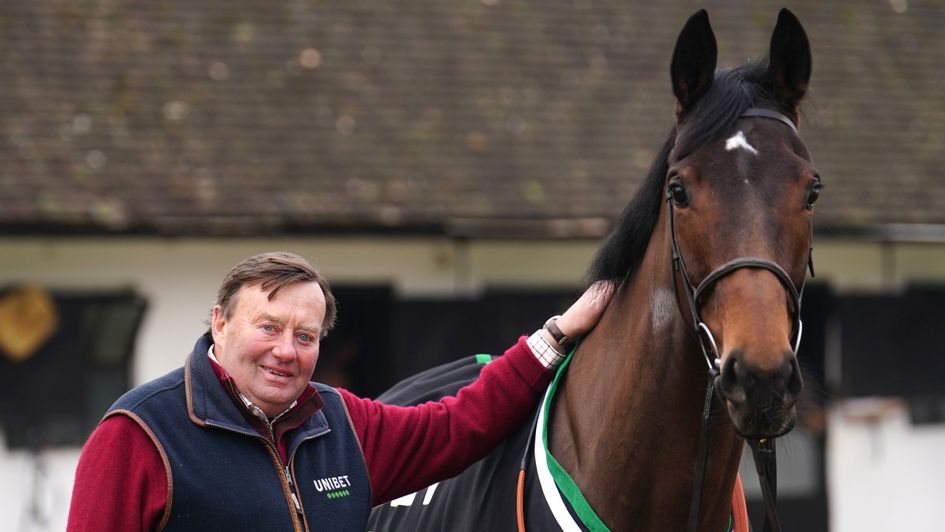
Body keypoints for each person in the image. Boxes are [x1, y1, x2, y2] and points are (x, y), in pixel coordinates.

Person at [66, 251, 614, 531]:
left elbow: (458, 425)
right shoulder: (138, 436)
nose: (286, 350)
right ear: (220, 323)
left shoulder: (342, 424)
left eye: (305, 336)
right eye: (268, 326)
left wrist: (559, 335)